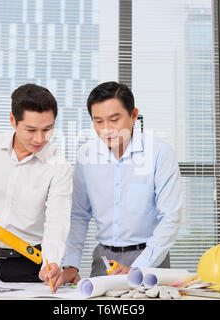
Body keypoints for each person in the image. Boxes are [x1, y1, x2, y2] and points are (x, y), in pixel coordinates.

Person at [55, 81, 183, 291]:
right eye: (98, 121)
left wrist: (139, 267)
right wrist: (71, 264)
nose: (106, 129)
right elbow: (79, 214)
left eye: (114, 120)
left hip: (150, 260)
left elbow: (170, 216)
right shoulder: (86, 155)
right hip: (103, 260)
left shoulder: (159, 153)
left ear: (133, 115)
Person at [0, 84, 72, 288]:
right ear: (13, 120)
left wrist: (51, 261)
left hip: (29, 265)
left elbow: (57, 220)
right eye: (31, 130)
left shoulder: (60, 167)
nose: (40, 138)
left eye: (47, 129)